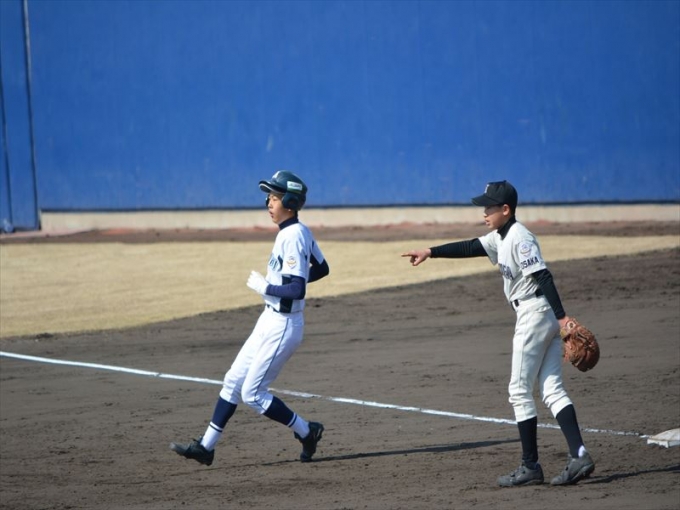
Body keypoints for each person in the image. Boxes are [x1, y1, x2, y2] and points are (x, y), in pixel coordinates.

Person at [401, 180, 595, 487]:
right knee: (551, 390)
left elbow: (543, 276)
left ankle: (530, 466)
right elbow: (471, 247)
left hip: (535, 314)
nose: (484, 213)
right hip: (539, 314)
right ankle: (579, 455)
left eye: (489, 207)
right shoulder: (499, 237)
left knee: (519, 391)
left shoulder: (520, 237)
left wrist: (563, 319)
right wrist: (430, 251)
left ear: (506, 209)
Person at [171, 170, 330, 465]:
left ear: (290, 202)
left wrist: (266, 287)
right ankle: (206, 447)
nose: (268, 201)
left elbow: (297, 289)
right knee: (233, 380)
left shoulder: (293, 236)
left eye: (275, 197)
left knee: (253, 394)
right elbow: (322, 269)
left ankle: (307, 431)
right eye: (268, 196)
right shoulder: (296, 231)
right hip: (269, 319)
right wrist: (280, 285)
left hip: (283, 325)